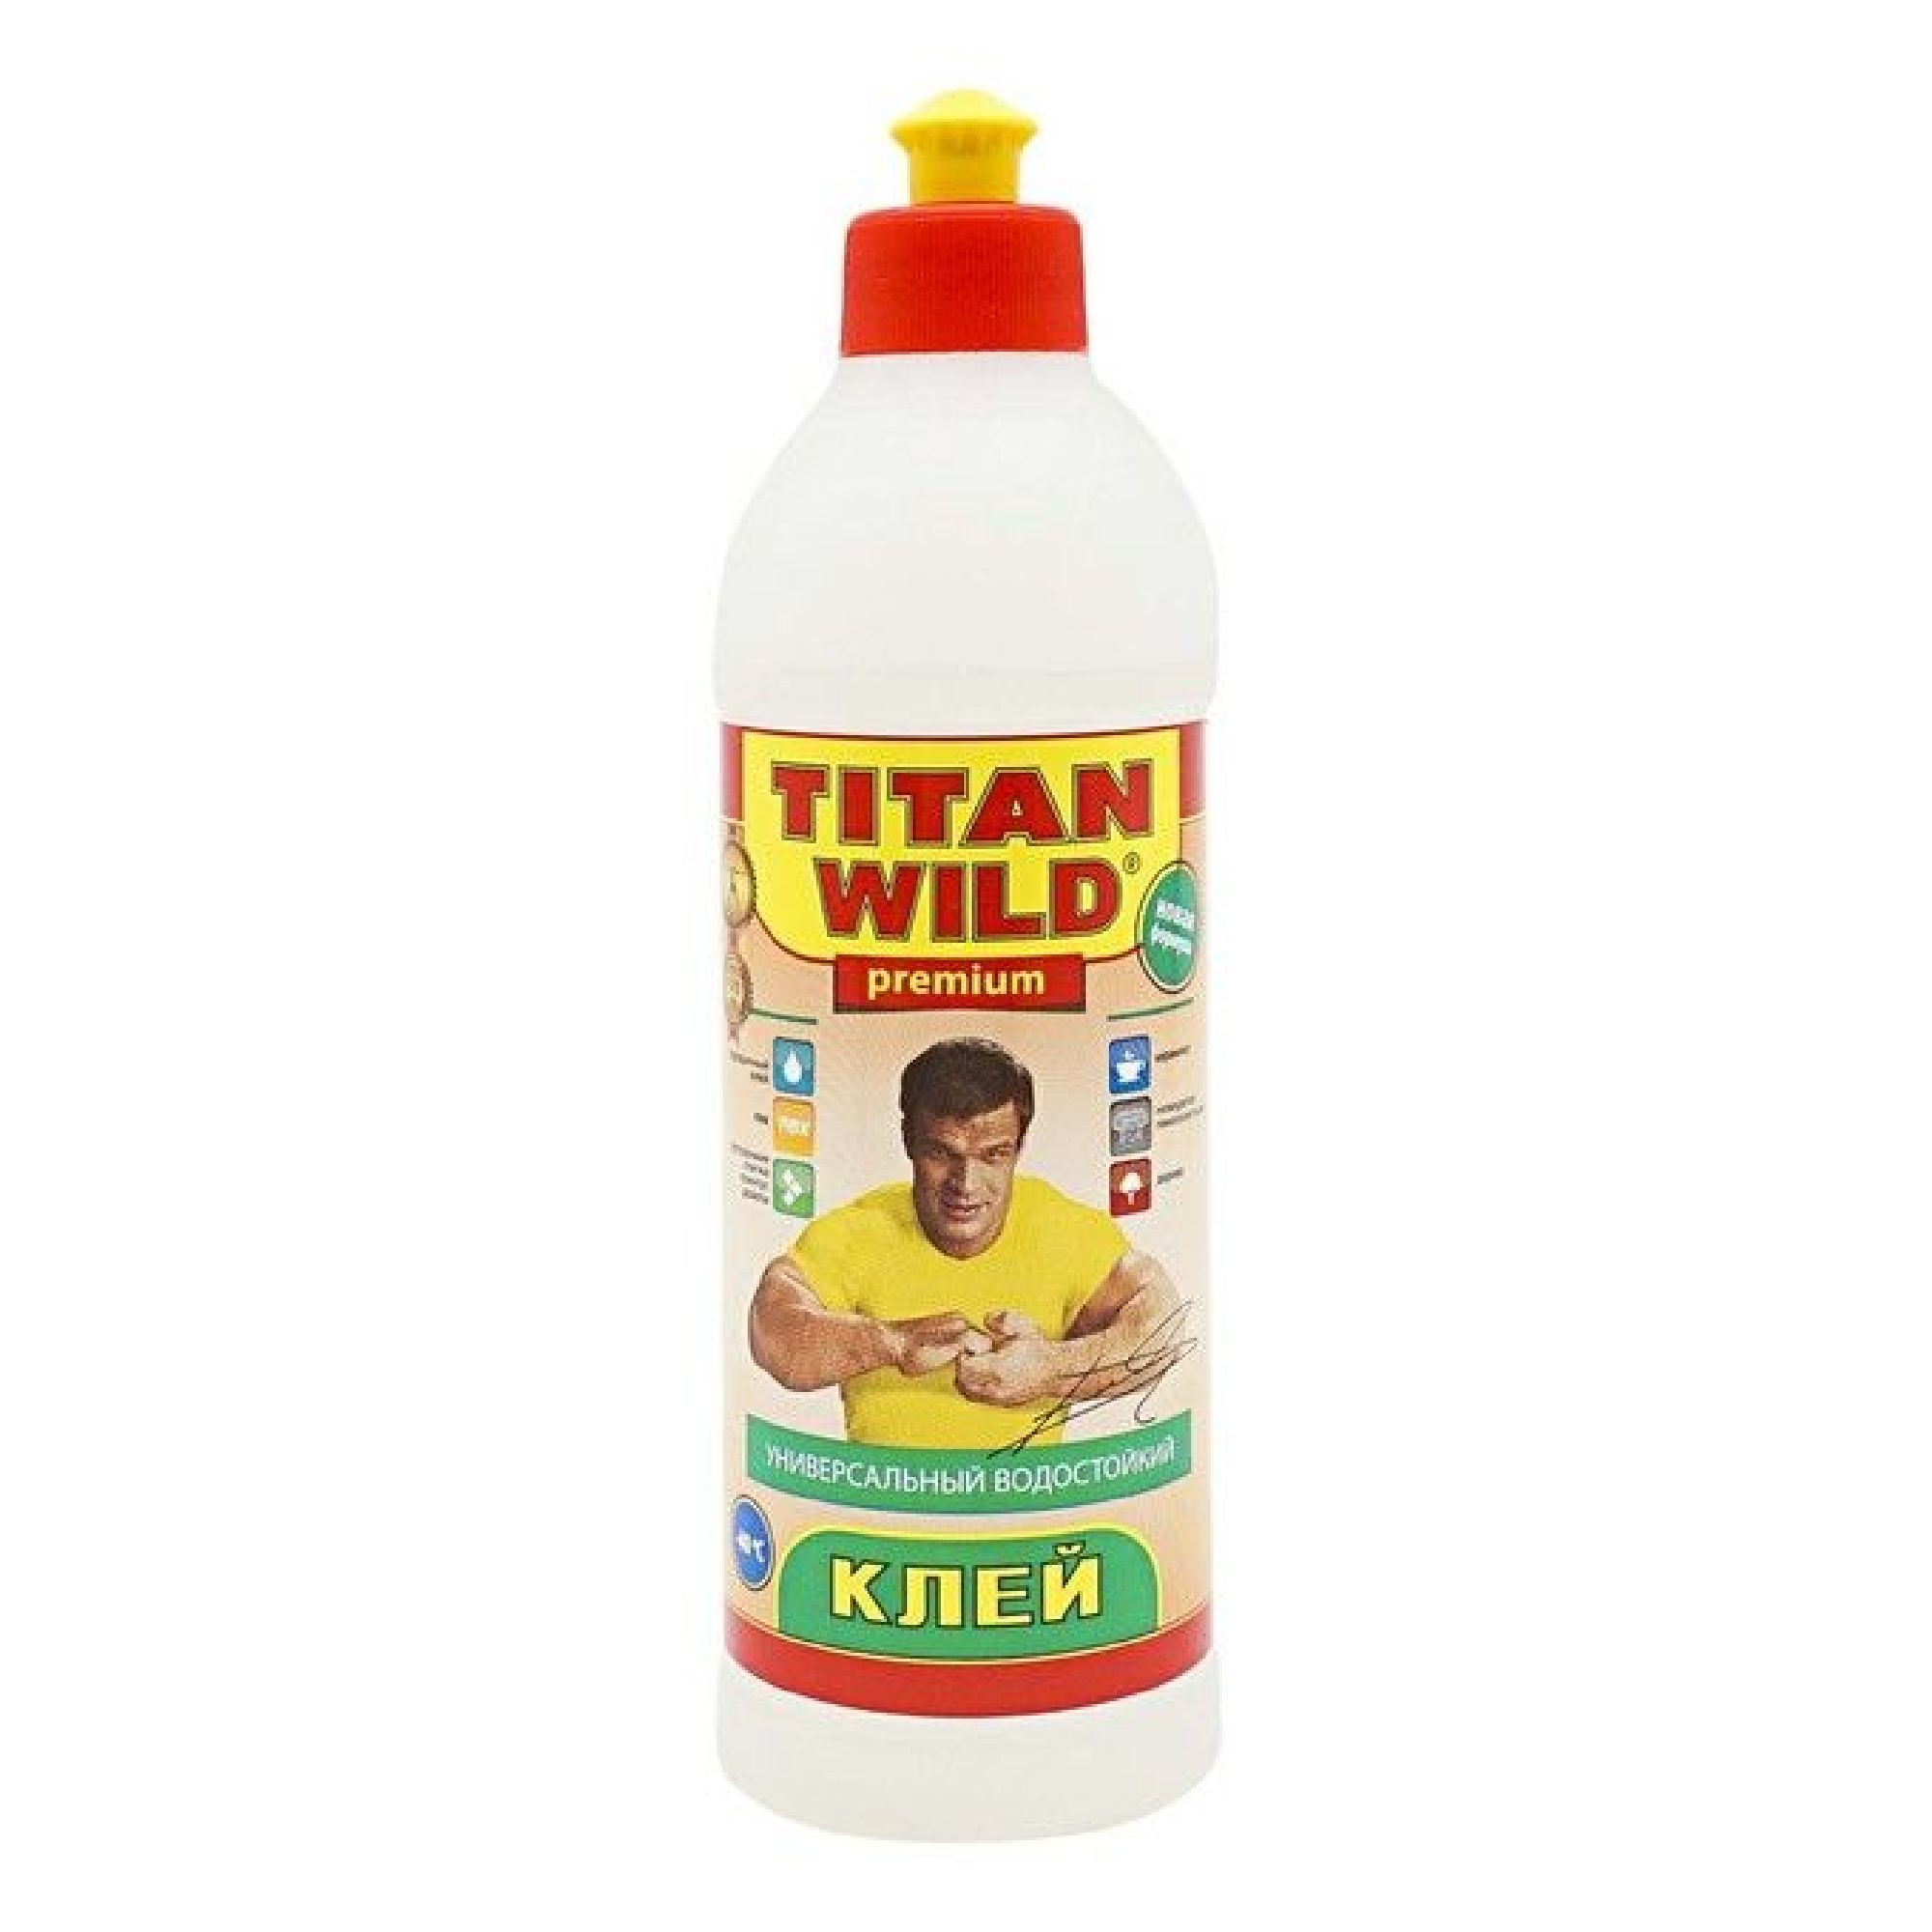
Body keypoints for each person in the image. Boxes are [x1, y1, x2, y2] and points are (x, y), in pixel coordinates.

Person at [749, 1037, 1183, 1450]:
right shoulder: (859, 1232)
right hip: (879, 1498)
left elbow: (1163, 1323)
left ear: (1019, 1147)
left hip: (1041, 1500)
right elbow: (771, 1328)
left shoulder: (1062, 1228)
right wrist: (892, 1344)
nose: (966, 1184)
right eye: (942, 1153)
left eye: (993, 1155)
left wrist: (1050, 1369)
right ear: (909, 1141)